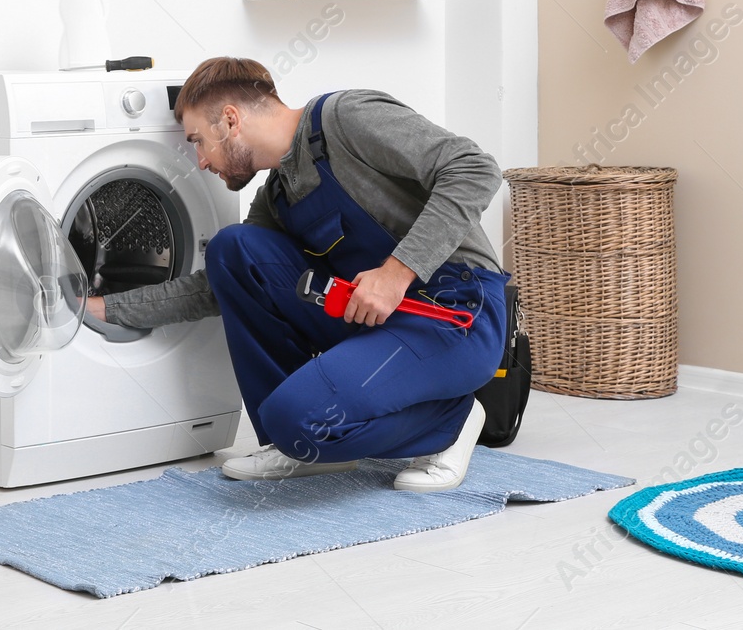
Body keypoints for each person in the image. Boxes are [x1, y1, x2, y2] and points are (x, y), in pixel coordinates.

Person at [86, 57, 509, 492]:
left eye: (198, 141)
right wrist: (104, 308)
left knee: (298, 420)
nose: (200, 162)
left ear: (230, 120)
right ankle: (290, 450)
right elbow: (214, 290)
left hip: (455, 315)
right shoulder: (277, 196)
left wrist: (395, 273)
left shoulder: (348, 116)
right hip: (373, 321)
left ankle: (451, 420)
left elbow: (475, 168)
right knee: (233, 250)